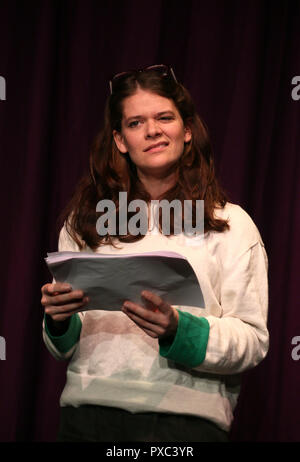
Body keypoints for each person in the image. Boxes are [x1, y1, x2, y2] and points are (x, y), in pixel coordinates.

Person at [41, 65, 269, 442]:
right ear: (119, 140)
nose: (152, 131)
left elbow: (252, 340)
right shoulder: (85, 222)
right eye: (135, 123)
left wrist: (181, 330)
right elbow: (63, 346)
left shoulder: (229, 223)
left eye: (165, 117)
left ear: (188, 129)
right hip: (86, 420)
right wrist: (58, 320)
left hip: (184, 426)